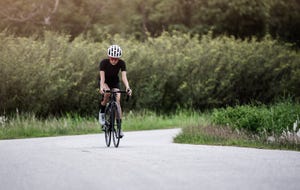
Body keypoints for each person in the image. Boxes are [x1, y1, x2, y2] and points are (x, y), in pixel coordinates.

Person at [98, 45, 132, 138]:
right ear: (109, 57)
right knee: (107, 93)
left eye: (116, 59)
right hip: (105, 82)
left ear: (118, 58)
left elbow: (124, 77)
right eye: (112, 58)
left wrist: (128, 87)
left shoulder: (122, 63)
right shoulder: (103, 63)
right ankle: (102, 113)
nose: (113, 61)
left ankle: (119, 128)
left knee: (117, 101)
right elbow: (102, 78)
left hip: (115, 82)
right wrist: (101, 87)